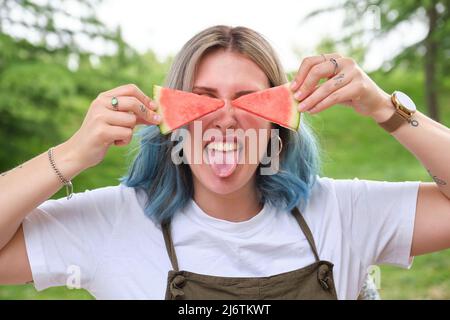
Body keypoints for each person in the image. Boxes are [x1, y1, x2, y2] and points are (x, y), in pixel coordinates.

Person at [0, 25, 449, 300]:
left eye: (250, 100)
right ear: (171, 122)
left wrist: (385, 109)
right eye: (201, 100)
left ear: (279, 122)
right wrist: (73, 154)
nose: (226, 117)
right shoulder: (113, 223)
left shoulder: (343, 212)